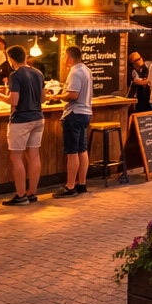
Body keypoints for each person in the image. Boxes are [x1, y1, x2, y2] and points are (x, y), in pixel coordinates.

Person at [0, 44, 45, 205]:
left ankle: (20, 196)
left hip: (21, 120)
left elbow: (14, 101)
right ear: (25, 56)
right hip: (38, 118)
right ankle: (32, 192)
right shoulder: (38, 73)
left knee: (16, 157)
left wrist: (0, 96)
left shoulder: (16, 75)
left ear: (10, 59)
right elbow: (42, 99)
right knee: (34, 156)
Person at [55, 44, 93, 198]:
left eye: (64, 55)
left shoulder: (75, 72)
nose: (63, 58)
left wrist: (56, 96)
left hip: (74, 113)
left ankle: (70, 186)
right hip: (85, 113)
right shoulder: (86, 70)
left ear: (70, 57)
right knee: (82, 150)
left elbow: (73, 95)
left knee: (72, 152)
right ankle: (81, 183)